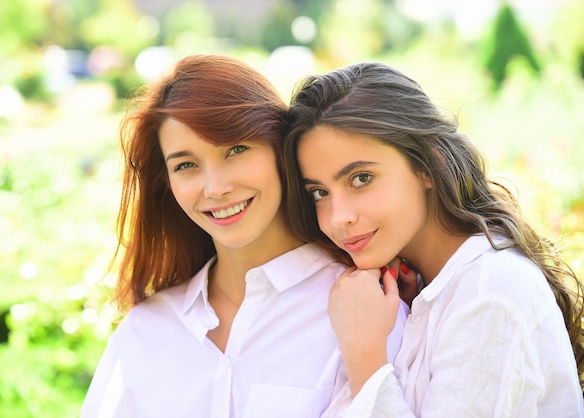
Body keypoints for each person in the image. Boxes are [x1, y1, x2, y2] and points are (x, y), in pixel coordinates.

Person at [81, 54, 409, 418]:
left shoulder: (366, 311)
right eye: (186, 165)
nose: (216, 187)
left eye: (236, 150)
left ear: (279, 150)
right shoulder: (146, 330)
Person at [283, 61, 584, 416]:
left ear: (428, 165)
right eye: (319, 192)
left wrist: (364, 356)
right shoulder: (424, 291)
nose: (338, 217)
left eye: (361, 178)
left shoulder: (490, 293)